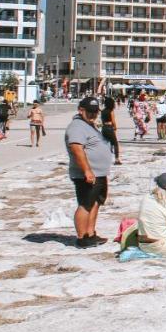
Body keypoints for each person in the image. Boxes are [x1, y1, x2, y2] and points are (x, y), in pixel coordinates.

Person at [66, 96, 113, 248]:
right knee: (85, 204)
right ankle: (81, 238)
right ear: (81, 110)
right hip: (87, 175)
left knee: (95, 203)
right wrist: (87, 170)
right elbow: (76, 148)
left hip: (99, 173)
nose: (93, 115)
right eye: (90, 112)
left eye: (95, 112)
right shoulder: (77, 126)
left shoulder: (89, 125)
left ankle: (90, 234)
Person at [100, 96, 121, 166]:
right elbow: (113, 121)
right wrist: (115, 127)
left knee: (106, 144)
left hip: (104, 128)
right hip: (109, 127)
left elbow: (102, 121)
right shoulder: (111, 111)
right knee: (115, 143)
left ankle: (104, 159)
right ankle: (117, 159)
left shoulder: (103, 111)